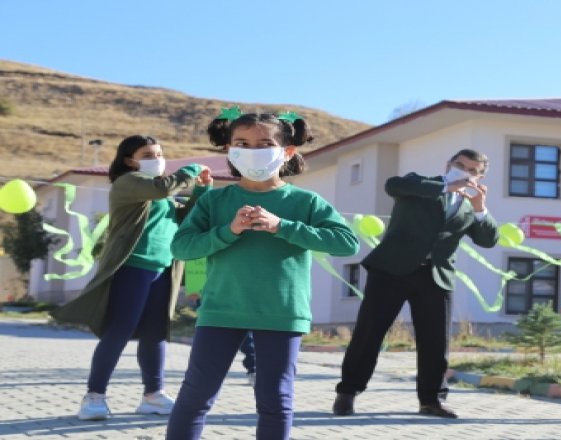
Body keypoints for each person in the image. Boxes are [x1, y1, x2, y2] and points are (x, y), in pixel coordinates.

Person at [165, 111, 359, 440]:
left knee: (274, 401)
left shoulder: (305, 201)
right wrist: (228, 231)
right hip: (221, 311)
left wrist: (282, 226)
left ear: (287, 151)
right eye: (243, 143)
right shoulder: (215, 200)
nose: (253, 151)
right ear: (229, 148)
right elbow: (181, 248)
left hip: (281, 313)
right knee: (195, 397)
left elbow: (346, 243)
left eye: (264, 144)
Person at [50, 135, 212, 421]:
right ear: (129, 160)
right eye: (148, 154)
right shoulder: (128, 184)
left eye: (160, 153)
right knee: (119, 332)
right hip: (133, 268)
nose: (157, 158)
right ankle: (94, 397)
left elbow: (184, 215)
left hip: (162, 270)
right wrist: (191, 170)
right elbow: (163, 189)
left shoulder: (158, 193)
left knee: (155, 335)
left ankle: (153, 396)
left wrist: (201, 190)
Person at [333, 149, 500, 419]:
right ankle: (347, 393)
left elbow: (489, 240)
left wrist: (481, 207)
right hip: (391, 271)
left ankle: (431, 400)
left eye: (472, 170)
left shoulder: (469, 207)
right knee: (369, 334)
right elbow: (393, 185)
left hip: (436, 277)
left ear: (479, 177)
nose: (464, 172)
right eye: (460, 165)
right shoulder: (419, 185)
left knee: (435, 342)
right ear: (448, 164)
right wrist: (446, 185)